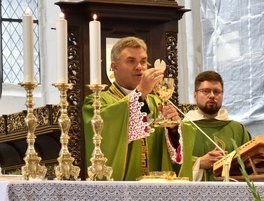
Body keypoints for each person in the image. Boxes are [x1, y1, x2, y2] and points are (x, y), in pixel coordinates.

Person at [82, 36, 191, 180]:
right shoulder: (97, 102)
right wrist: (140, 92)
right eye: (131, 61)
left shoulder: (157, 101)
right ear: (114, 67)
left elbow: (177, 150)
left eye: (143, 61)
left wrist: (173, 129)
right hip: (120, 190)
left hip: (155, 189)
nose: (139, 66)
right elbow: (105, 134)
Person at [183, 70, 252, 181]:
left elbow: (250, 164)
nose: (212, 96)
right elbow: (172, 162)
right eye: (206, 91)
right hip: (193, 195)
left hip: (232, 194)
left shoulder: (237, 129)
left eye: (217, 92)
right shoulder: (182, 128)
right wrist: (199, 163)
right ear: (195, 95)